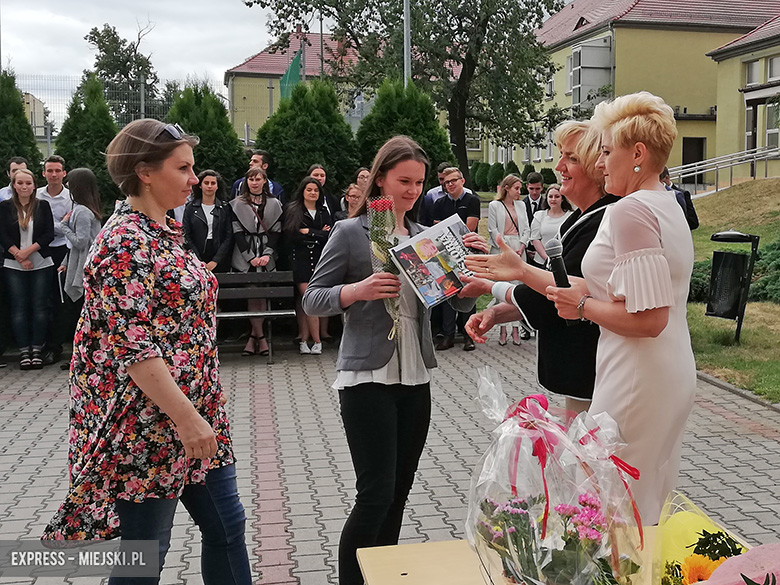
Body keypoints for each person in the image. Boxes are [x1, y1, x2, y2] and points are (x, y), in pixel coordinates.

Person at [42, 119, 252, 585]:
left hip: (198, 412)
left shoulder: (166, 232)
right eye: (184, 168)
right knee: (146, 554)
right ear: (145, 172)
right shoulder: (122, 243)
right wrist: (186, 418)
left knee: (228, 527)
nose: (195, 179)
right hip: (148, 423)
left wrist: (200, 414)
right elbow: (133, 347)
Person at [302, 136, 479, 585]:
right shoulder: (353, 231)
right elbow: (313, 299)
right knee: (375, 494)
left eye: (419, 182)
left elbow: (456, 309)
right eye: (404, 180)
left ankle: (380, 576)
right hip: (366, 376)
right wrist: (356, 291)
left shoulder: (424, 237)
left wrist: (467, 275)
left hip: (415, 377)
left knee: (398, 494)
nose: (412, 190)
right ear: (380, 178)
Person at [545, 92, 696, 524]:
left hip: (637, 374)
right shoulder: (667, 203)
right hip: (663, 367)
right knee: (639, 502)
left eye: (607, 152)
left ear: (638, 154)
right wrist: (521, 274)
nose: (600, 163)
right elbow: (621, 294)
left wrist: (585, 305)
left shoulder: (631, 211)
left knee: (608, 508)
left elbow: (648, 319)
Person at [464, 120, 620, 416]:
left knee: (586, 455)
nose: (559, 165)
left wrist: (493, 286)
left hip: (594, 372)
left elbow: (559, 294)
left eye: (571, 158)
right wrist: (497, 311)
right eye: (560, 154)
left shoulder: (605, 222)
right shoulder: (581, 219)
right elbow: (550, 293)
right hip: (580, 374)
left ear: (598, 165)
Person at [0, 168, 54, 370]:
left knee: (40, 307)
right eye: (20, 183)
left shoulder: (43, 206)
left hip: (40, 262)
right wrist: (18, 255)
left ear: (34, 185)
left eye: (28, 183)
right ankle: (24, 350)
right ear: (14, 185)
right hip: (13, 264)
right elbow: (2, 234)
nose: (24, 187)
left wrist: (29, 252)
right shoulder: (5, 207)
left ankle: (37, 349)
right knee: (19, 307)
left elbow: (49, 233)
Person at [229, 167, 283, 357]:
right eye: (250, 179)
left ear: (264, 181)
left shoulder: (275, 203)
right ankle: (260, 338)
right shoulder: (237, 203)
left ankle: (254, 338)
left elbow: (276, 231)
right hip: (246, 255)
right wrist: (250, 257)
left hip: (266, 253)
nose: (254, 182)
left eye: (257, 178)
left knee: (263, 296)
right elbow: (237, 233)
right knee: (253, 295)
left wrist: (267, 254)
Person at [430, 166, 481, 351]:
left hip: (467, 255)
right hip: (445, 256)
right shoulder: (439, 204)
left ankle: (469, 335)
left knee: (468, 292)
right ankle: (448, 335)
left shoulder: (472, 201)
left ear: (462, 181)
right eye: (446, 182)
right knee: (448, 293)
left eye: (453, 181)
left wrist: (449, 235)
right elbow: (437, 232)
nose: (450, 184)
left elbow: (468, 230)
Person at [57, 168, 103, 368]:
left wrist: (63, 226)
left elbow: (81, 241)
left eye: (70, 182)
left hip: (83, 268)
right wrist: (65, 263)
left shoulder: (82, 211)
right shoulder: (85, 208)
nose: (67, 186)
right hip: (79, 264)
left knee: (80, 314)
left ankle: (83, 357)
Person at [284, 176, 332, 355]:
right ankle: (315, 340)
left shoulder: (323, 211)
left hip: (320, 260)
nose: (312, 193)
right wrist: (318, 234)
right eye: (309, 189)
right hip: (301, 260)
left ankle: (306, 339)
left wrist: (310, 232)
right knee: (308, 296)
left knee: (307, 300)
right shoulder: (294, 210)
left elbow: (329, 236)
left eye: (316, 190)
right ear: (303, 191)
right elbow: (292, 235)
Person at [486, 174, 531, 345]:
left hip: (518, 247)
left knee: (517, 289)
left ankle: (516, 329)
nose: (519, 192)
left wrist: (521, 246)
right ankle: (503, 329)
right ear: (507, 188)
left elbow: (526, 228)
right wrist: (507, 248)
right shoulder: (495, 205)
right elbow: (492, 229)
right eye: (517, 188)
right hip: (502, 247)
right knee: (502, 288)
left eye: (520, 188)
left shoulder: (521, 205)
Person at [37, 154, 73, 365]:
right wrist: (59, 226)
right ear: (44, 173)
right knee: (42, 300)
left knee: (60, 301)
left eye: (57, 171)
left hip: (62, 251)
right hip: (40, 249)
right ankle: (41, 346)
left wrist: (55, 227)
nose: (53, 174)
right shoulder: (37, 195)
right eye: (49, 171)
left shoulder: (70, 198)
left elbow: (70, 227)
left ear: (64, 173)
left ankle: (56, 347)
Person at [183, 170, 234, 273]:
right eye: (206, 183)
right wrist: (198, 260)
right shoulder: (190, 208)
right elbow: (186, 234)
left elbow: (229, 236)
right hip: (197, 256)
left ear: (217, 186)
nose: (209, 186)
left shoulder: (225, 208)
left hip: (219, 257)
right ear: (200, 185)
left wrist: (215, 261)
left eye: (213, 183)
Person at [528, 184, 573, 264]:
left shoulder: (570, 216)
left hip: (564, 261)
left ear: (562, 199)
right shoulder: (539, 215)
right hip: (541, 262)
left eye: (557, 196)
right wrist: (548, 259)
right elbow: (535, 239)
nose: (553, 199)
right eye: (550, 196)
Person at [418, 162, 454, 227]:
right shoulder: (431, 194)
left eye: (445, 178)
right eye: (441, 179)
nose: (443, 182)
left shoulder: (466, 193)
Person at [522, 171, 545, 267]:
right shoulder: (521, 205)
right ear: (527, 186)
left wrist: (538, 250)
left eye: (537, 189)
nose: (534, 192)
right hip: (525, 249)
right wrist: (526, 249)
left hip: (541, 250)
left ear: (542, 187)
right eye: (531, 189)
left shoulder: (547, 205)